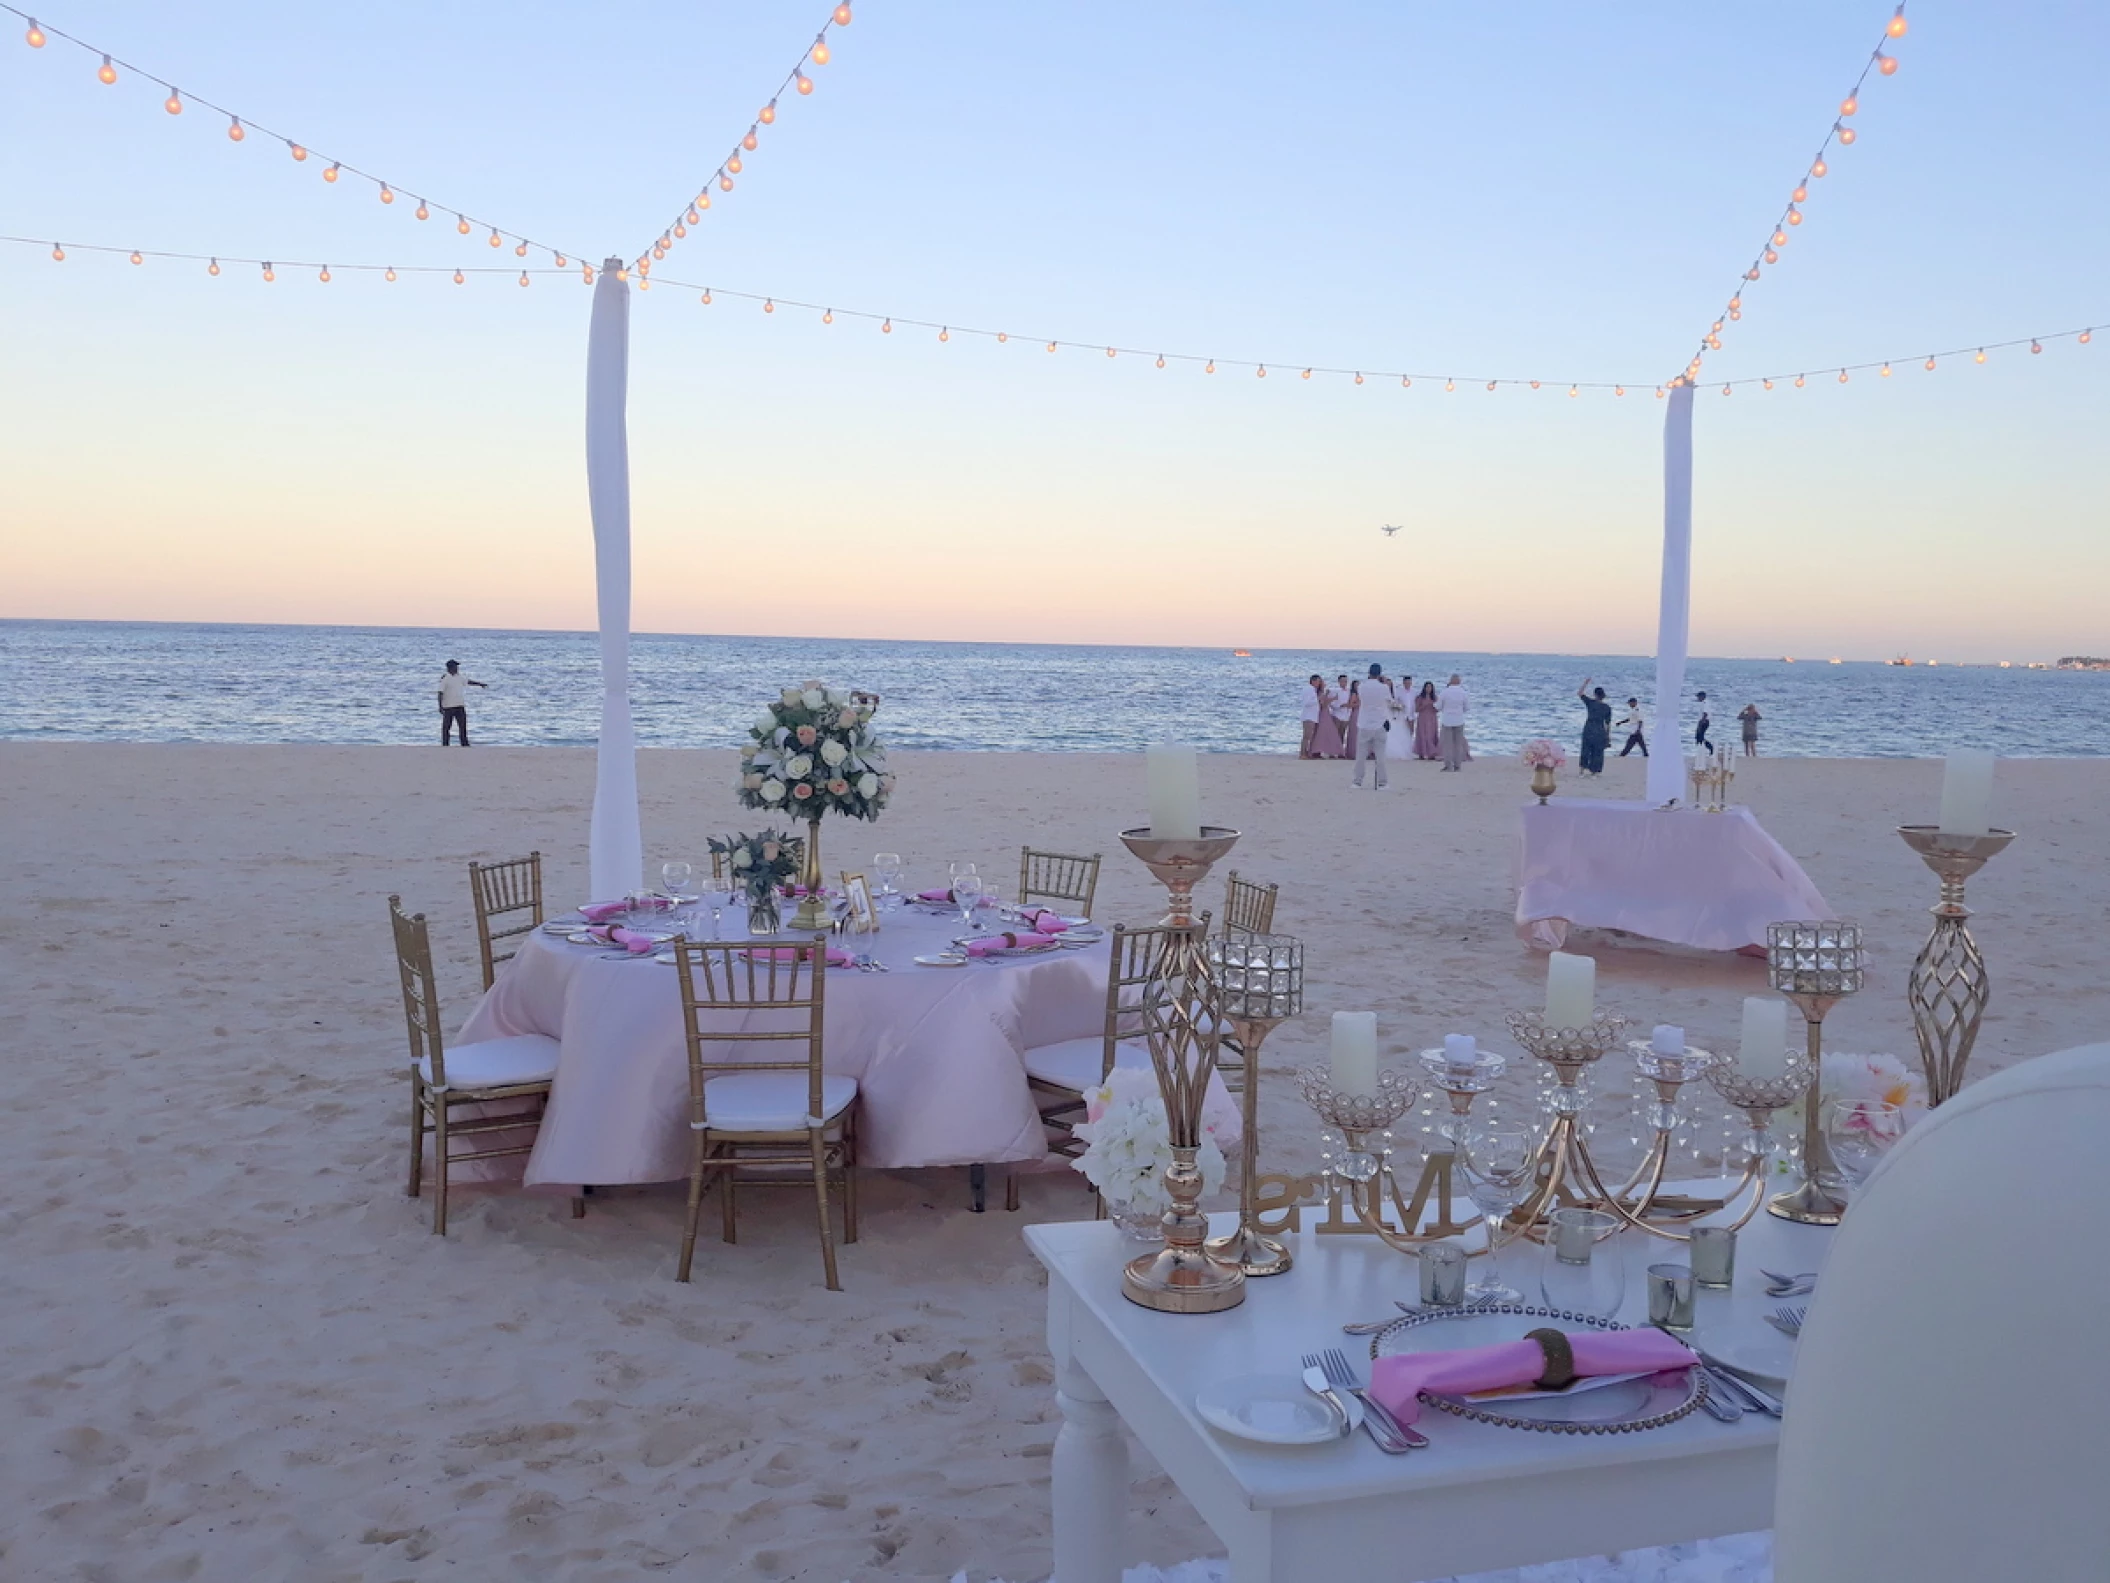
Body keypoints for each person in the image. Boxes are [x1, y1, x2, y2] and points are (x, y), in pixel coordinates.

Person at [1349, 663, 1401, 788]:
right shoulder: (1383, 688)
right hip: (1379, 723)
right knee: (1380, 756)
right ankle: (1382, 783)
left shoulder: (1362, 686)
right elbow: (1389, 701)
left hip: (1364, 723)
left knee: (1361, 755)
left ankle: (1357, 781)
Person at [436, 659, 488, 746]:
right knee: (446, 727)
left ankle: (464, 743)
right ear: (450, 668)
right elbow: (440, 693)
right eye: (455, 666)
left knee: (463, 726)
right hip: (448, 706)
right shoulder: (445, 678)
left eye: (457, 666)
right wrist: (440, 706)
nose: (457, 668)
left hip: (459, 705)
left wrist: (480, 684)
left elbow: (468, 681)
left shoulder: (459, 677)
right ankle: (445, 744)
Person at [1575, 677, 1613, 775]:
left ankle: (1582, 770)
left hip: (1589, 727)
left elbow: (1580, 693)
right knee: (1598, 751)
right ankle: (1595, 771)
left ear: (1595, 694)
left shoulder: (1591, 703)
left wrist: (1585, 683)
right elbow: (1608, 724)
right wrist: (1608, 736)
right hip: (1600, 729)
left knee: (1586, 748)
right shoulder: (1607, 707)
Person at [1437, 673, 1471, 770]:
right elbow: (1467, 707)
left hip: (1447, 720)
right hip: (1459, 720)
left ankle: (1448, 765)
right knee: (1458, 744)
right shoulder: (1463, 693)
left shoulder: (1445, 692)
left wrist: (1446, 709)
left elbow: (1438, 706)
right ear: (1459, 682)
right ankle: (1457, 765)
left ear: (1450, 681)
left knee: (1447, 744)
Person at [1387, 674, 1416, 759]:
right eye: (1406, 682)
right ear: (1403, 682)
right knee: (1401, 732)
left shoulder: (1414, 692)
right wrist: (1399, 708)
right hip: (1401, 715)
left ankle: (1409, 749)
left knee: (1410, 732)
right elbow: (1395, 701)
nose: (1408, 684)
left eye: (1409, 682)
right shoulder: (1399, 691)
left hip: (1411, 714)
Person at [1412, 680, 1442, 759]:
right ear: (1424, 688)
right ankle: (1421, 753)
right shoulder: (1420, 698)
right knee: (1422, 735)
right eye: (1427, 687)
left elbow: (1438, 709)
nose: (1428, 689)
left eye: (1430, 687)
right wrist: (1424, 705)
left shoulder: (1435, 698)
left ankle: (1431, 753)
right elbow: (1416, 709)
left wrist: (1434, 706)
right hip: (1423, 718)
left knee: (1431, 735)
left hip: (1432, 718)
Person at [1330, 673, 1356, 760]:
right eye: (1342, 681)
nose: (1344, 683)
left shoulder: (1349, 691)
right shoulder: (1335, 690)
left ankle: (1340, 752)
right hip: (1337, 714)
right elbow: (1331, 703)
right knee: (1335, 734)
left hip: (1346, 715)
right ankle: (1332, 752)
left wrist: (1349, 706)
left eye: (1345, 681)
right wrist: (1341, 705)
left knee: (1342, 734)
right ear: (1339, 681)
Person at [1300, 674, 1325, 758]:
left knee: (1309, 736)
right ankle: (1303, 753)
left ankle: (1306, 752)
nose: (1319, 683)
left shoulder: (1313, 690)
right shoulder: (1309, 689)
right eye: (1318, 681)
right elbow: (1306, 703)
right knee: (1307, 736)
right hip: (1308, 716)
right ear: (1313, 681)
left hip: (1312, 716)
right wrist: (1318, 699)